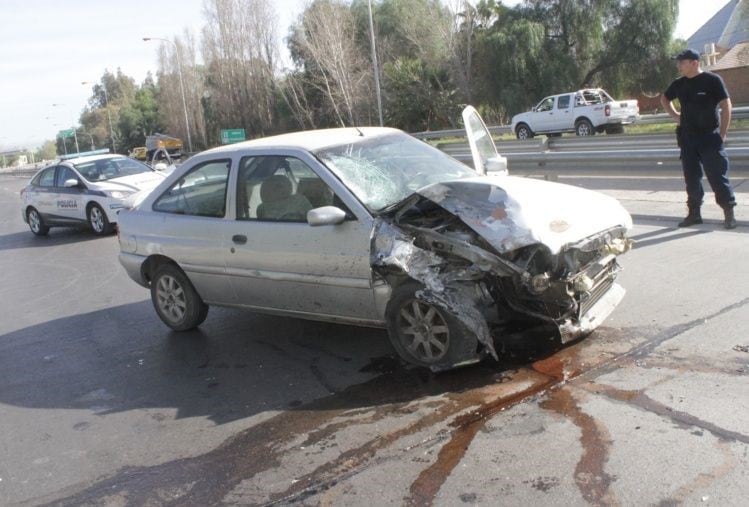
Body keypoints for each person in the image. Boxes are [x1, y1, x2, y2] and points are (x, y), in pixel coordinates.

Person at [660, 48, 736, 229]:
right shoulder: (678, 84)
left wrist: (722, 133)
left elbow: (726, 106)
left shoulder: (712, 80)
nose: (678, 65)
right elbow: (664, 98)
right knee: (691, 178)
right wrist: (676, 115)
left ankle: (729, 214)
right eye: (678, 62)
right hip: (688, 139)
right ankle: (694, 215)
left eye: (682, 62)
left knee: (717, 177)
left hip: (709, 138)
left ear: (694, 63)